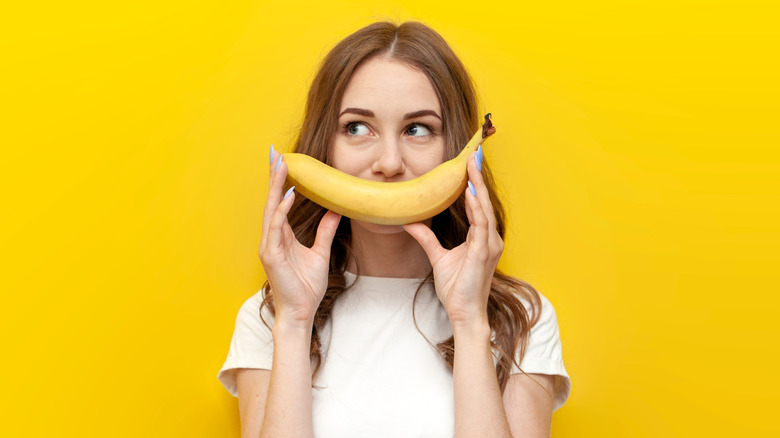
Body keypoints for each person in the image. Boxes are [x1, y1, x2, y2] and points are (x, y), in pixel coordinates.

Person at [217, 21, 570, 437]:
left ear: (455, 149)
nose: (388, 163)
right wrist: (295, 321)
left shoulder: (520, 318)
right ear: (325, 149)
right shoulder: (269, 316)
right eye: (356, 128)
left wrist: (470, 320)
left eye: (417, 129)